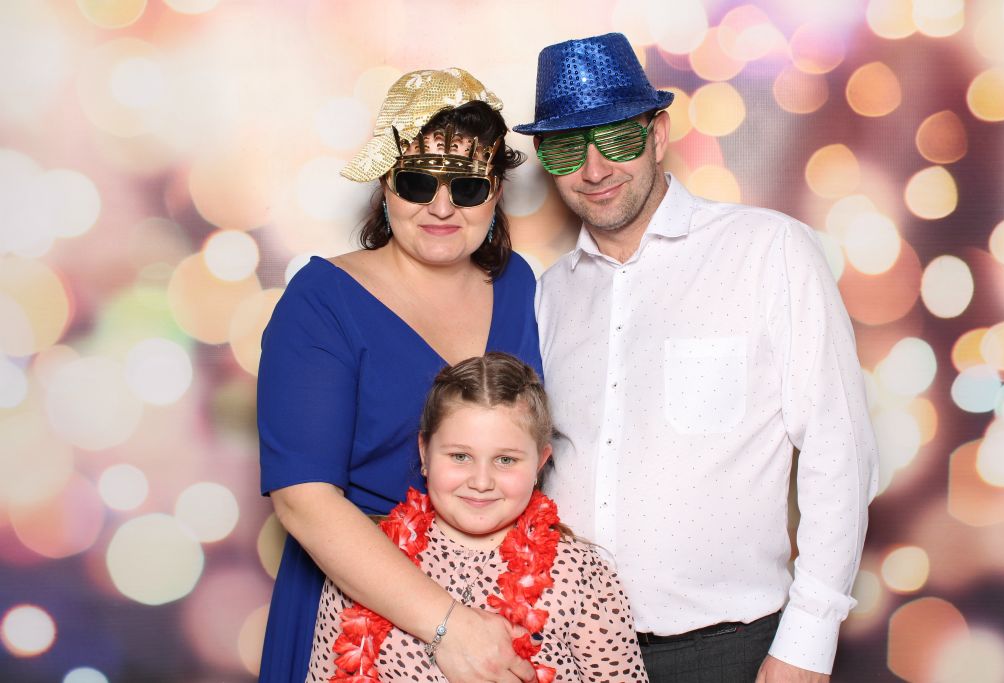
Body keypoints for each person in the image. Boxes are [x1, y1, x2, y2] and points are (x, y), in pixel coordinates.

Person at [515, 33, 879, 683]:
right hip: (567, 649)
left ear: (657, 135)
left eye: (616, 139)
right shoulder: (550, 295)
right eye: (568, 147)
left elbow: (839, 448)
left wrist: (808, 640)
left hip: (727, 650)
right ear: (545, 160)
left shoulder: (768, 251)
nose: (594, 169)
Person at [258, 68, 544, 683]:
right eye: (418, 182)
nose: (441, 207)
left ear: (495, 193)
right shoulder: (321, 300)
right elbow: (302, 500)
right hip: (359, 608)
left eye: (467, 187)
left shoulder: (518, 283)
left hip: (501, 600)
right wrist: (450, 625)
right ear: (386, 184)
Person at [304, 352, 650, 682]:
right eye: (460, 456)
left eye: (505, 460)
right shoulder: (365, 562)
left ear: (540, 463)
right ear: (424, 452)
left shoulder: (582, 575)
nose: (481, 482)